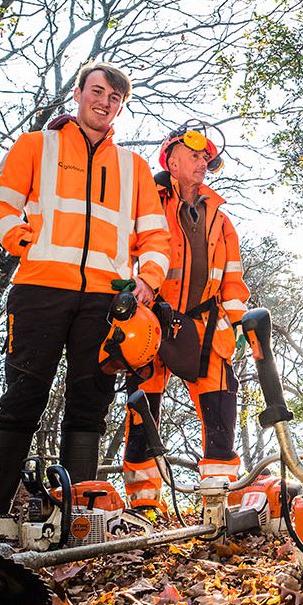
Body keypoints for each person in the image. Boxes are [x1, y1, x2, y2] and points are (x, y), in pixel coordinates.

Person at [0, 61, 172, 514]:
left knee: (89, 405)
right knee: (23, 396)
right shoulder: (36, 146)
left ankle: (77, 518)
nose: (104, 102)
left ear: (120, 108)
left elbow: (155, 237)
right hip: (40, 290)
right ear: (79, 93)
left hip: (106, 304)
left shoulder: (134, 167)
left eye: (114, 98)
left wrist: (147, 280)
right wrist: (19, 238)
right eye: (98, 92)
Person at [121, 123, 250, 520]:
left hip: (206, 327)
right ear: (171, 160)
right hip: (151, 322)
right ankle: (144, 505)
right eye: (194, 155)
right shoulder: (146, 203)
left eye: (206, 157)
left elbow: (232, 279)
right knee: (143, 411)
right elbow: (127, 252)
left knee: (221, 414)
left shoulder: (221, 219)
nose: (202, 162)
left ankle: (220, 499)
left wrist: (240, 322)